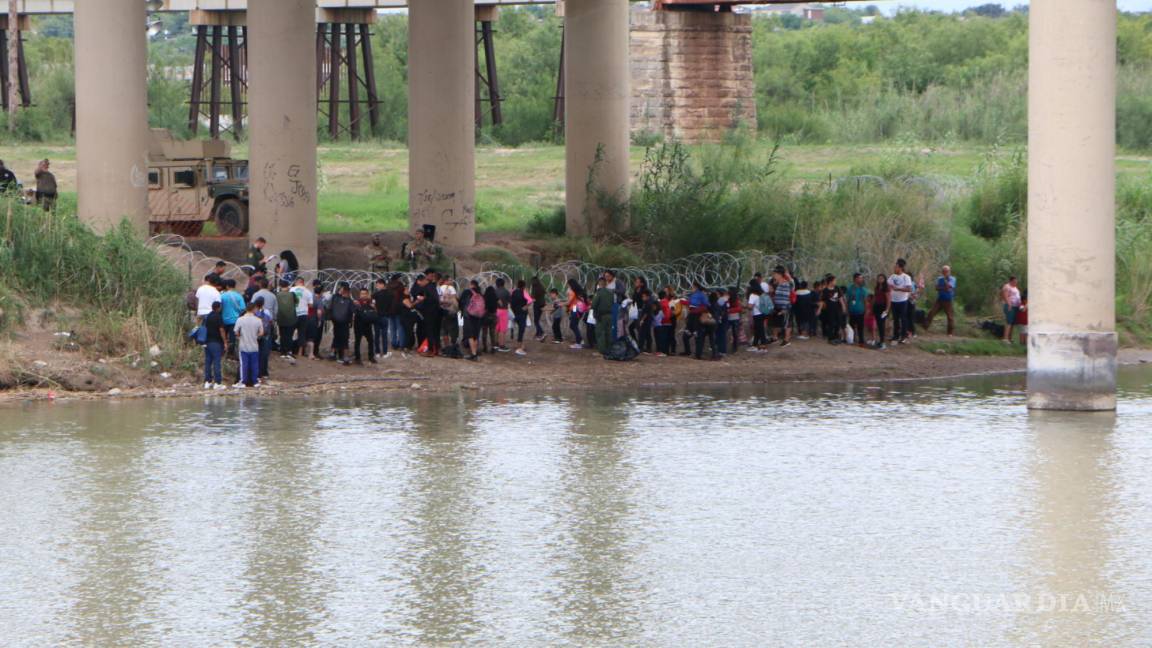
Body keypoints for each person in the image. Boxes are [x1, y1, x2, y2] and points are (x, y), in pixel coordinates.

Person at [234, 302, 264, 388]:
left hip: (243, 345)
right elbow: (261, 333)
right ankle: (255, 382)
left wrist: (240, 336)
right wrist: (255, 336)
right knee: (254, 364)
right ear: (254, 309)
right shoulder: (258, 320)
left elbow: (236, 332)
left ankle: (243, 381)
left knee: (244, 364)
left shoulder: (240, 319)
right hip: (254, 346)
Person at [924, 265, 957, 337]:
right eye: (943, 271)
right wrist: (944, 288)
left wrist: (944, 284)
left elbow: (949, 287)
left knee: (950, 316)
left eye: (946, 271)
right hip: (939, 299)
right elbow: (936, 287)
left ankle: (950, 333)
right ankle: (924, 328)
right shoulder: (939, 279)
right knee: (931, 312)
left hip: (948, 300)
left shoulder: (952, 279)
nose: (945, 273)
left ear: (949, 271)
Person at [888, 259, 914, 344]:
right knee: (895, 319)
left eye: (896, 267)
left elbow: (909, 289)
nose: (894, 268)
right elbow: (888, 284)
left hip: (902, 301)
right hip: (893, 300)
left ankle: (903, 336)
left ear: (900, 268)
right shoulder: (892, 276)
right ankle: (895, 335)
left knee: (903, 319)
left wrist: (898, 288)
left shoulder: (906, 277)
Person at [202, 301, 227, 390]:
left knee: (208, 362)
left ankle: (207, 382)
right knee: (217, 362)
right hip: (216, 342)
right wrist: (225, 342)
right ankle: (217, 383)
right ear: (218, 308)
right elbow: (221, 330)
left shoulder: (207, 317)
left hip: (206, 342)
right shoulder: (218, 317)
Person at [328, 282, 354, 364]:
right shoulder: (335, 297)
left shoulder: (348, 300)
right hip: (337, 321)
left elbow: (352, 311)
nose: (343, 291)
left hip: (344, 322)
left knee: (344, 338)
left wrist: (350, 321)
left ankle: (343, 355)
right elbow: (331, 307)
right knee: (338, 337)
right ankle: (334, 354)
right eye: (343, 289)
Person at [459, 280, 485, 361]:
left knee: (470, 335)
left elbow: (461, 302)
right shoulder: (480, 293)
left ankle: (473, 354)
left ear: (471, 285)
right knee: (475, 335)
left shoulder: (467, 292)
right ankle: (475, 351)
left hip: (469, 315)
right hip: (478, 316)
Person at [220, 279, 246, 355]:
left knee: (223, 336)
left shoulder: (222, 296)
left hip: (224, 319)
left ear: (227, 286)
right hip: (235, 320)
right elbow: (243, 308)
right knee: (232, 338)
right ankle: (230, 353)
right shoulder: (239, 296)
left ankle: (222, 350)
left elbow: (220, 308)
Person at [352, 287, 378, 364]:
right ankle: (357, 358)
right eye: (362, 294)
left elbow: (375, 313)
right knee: (357, 341)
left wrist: (374, 307)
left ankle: (371, 357)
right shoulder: (357, 303)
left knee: (371, 341)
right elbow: (353, 313)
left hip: (368, 325)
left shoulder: (370, 302)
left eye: (365, 294)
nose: (363, 295)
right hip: (358, 325)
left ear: (367, 294)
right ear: (359, 295)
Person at [817, 274, 845, 344]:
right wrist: (819, 309)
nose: (835, 282)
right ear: (830, 281)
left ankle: (836, 337)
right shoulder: (825, 290)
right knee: (831, 323)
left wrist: (843, 306)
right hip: (829, 310)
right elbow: (822, 301)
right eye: (834, 281)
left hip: (837, 309)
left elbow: (840, 298)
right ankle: (831, 338)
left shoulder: (837, 288)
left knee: (838, 323)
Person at [591, 277, 615, 357]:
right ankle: (609, 350)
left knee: (600, 333)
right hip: (610, 315)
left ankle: (601, 351)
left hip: (601, 316)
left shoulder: (599, 292)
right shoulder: (611, 292)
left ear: (600, 284)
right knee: (608, 333)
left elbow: (594, 304)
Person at [275, 279, 299, 358]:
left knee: (282, 335)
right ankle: (288, 351)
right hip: (291, 318)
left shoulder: (277, 295)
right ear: (288, 286)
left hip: (281, 318)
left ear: (280, 286)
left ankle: (282, 351)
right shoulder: (292, 294)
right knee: (289, 335)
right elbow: (297, 302)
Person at [771, 266, 794, 347]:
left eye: (775, 274)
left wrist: (784, 309)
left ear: (780, 274)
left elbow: (785, 296)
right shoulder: (778, 284)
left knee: (787, 323)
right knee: (776, 322)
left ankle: (786, 340)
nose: (774, 275)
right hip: (777, 306)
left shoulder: (785, 284)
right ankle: (775, 337)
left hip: (785, 307)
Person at [253, 296, 274, 383]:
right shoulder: (266, 312)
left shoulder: (253, 313)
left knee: (256, 354)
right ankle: (264, 373)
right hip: (265, 336)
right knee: (264, 354)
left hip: (255, 336)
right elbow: (270, 322)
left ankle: (256, 373)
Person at [289, 277, 313, 355]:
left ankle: (290, 350)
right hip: (303, 314)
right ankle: (300, 352)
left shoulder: (292, 290)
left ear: (296, 282)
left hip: (293, 314)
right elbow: (311, 305)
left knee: (291, 332)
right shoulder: (308, 292)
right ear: (303, 282)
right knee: (301, 333)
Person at [846, 273, 869, 348]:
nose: (861, 279)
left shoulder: (863, 289)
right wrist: (846, 309)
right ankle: (851, 339)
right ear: (855, 279)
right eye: (860, 278)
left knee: (860, 327)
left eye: (862, 278)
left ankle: (861, 341)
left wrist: (866, 310)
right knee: (851, 326)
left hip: (860, 311)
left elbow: (865, 301)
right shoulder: (849, 288)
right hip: (851, 310)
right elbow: (847, 300)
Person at [509, 279, 531, 356]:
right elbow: (530, 300)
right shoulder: (523, 292)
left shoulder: (513, 292)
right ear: (524, 286)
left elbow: (511, 302)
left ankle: (520, 345)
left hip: (515, 313)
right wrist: (526, 306)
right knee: (521, 330)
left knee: (516, 329)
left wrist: (514, 310)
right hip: (522, 313)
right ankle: (519, 348)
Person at [372, 278, 392, 358]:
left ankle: (377, 352)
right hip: (385, 316)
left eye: (378, 285)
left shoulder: (375, 295)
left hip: (377, 316)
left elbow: (372, 304)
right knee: (384, 335)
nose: (377, 286)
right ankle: (385, 352)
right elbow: (391, 305)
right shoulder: (390, 294)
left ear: (382, 284)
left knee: (376, 335)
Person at [439, 277, 460, 349]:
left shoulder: (440, 288)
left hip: (442, 310)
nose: (451, 281)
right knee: (453, 329)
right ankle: (453, 345)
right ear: (446, 280)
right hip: (451, 311)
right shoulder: (451, 288)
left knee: (444, 330)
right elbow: (455, 299)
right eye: (450, 280)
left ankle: (446, 346)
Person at [566, 279, 587, 349]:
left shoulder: (573, 292)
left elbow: (568, 302)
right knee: (574, 325)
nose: (567, 286)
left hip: (575, 309)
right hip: (578, 309)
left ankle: (579, 342)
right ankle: (579, 340)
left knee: (573, 325)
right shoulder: (579, 291)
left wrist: (560, 304)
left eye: (568, 285)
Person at [872, 274, 891, 349]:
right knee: (878, 324)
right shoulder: (876, 287)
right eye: (878, 278)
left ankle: (883, 342)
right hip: (876, 306)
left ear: (884, 279)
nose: (880, 279)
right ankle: (880, 341)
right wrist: (872, 306)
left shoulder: (886, 288)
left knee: (881, 324)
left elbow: (888, 299)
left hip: (883, 307)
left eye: (881, 278)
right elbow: (874, 297)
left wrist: (887, 309)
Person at [1001, 276, 1022, 343]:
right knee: (1009, 322)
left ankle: (1010, 338)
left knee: (1012, 323)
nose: (1016, 282)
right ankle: (1005, 338)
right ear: (1011, 281)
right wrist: (1009, 304)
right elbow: (1005, 296)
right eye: (1014, 281)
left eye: (1016, 281)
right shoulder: (1007, 286)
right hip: (1010, 306)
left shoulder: (1015, 287)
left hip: (1016, 306)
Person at [530, 277, 548, 341]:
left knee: (536, 321)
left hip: (537, 304)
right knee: (537, 320)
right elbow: (545, 292)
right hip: (542, 304)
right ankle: (538, 334)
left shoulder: (535, 287)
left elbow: (532, 297)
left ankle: (542, 333)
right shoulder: (541, 286)